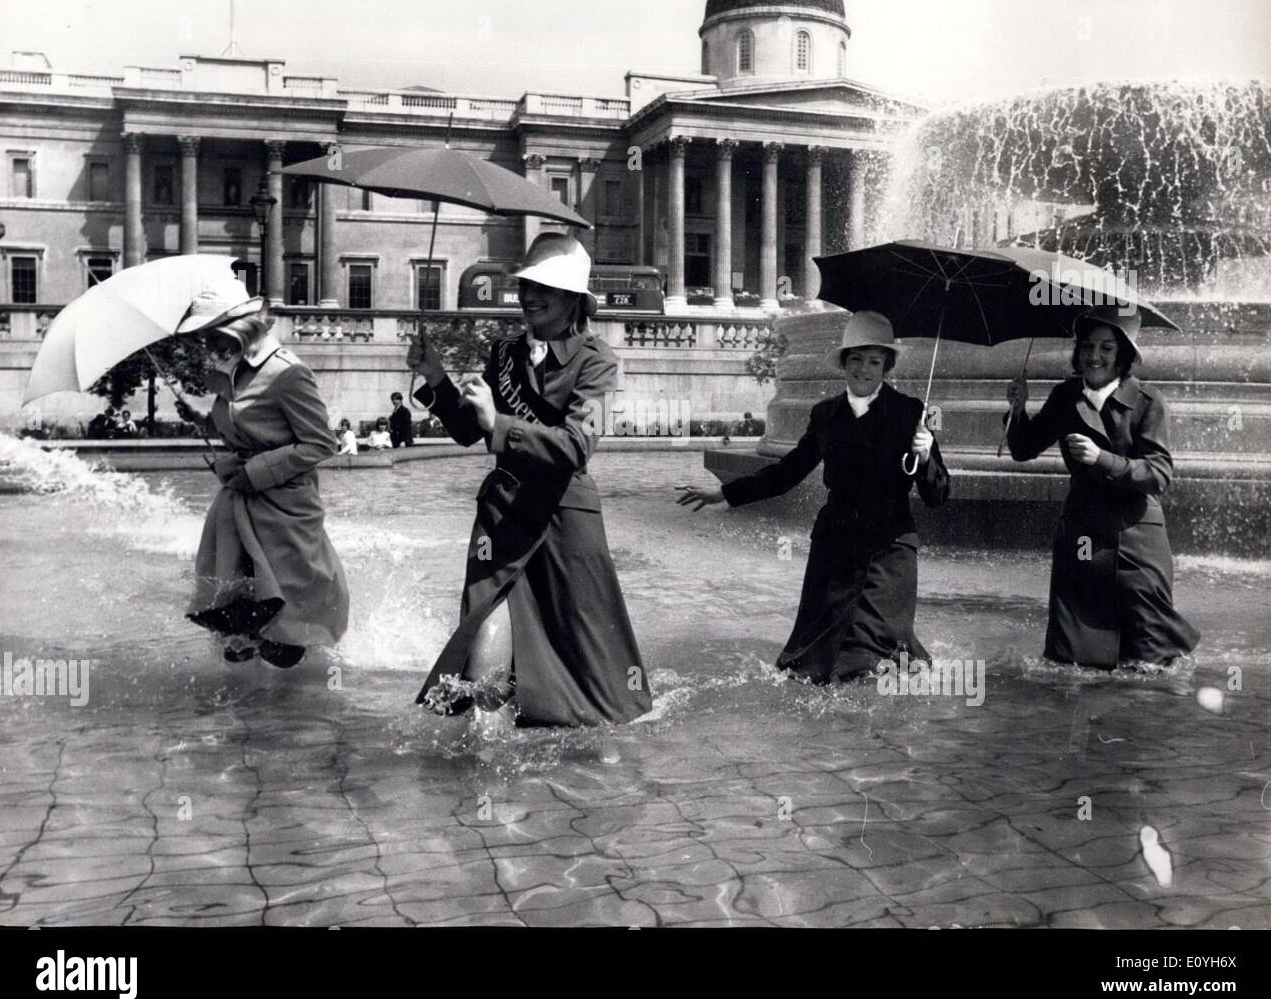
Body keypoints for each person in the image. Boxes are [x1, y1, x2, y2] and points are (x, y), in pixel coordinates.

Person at [407, 232, 652, 727]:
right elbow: (466, 431)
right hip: (504, 516)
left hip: (565, 519)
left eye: (546, 287)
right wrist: (437, 379)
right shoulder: (504, 353)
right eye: (526, 285)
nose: (530, 296)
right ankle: (489, 751)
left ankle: (582, 729)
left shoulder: (598, 361)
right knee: (485, 625)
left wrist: (498, 424)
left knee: (587, 654)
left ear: (575, 301)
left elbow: (577, 446)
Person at [677, 311, 950, 684]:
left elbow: (938, 495)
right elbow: (786, 473)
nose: (864, 369)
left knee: (881, 658)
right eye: (855, 359)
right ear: (843, 363)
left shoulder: (911, 413)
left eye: (874, 361)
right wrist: (724, 493)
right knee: (813, 664)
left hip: (890, 550)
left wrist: (925, 455)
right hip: (835, 548)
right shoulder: (826, 415)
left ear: (886, 366)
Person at [1005, 308, 1199, 669]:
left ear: (1123, 354)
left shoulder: (1148, 401)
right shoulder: (1065, 396)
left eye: (1107, 348)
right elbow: (1023, 449)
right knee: (1073, 661)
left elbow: (1159, 474)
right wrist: (1017, 410)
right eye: (1088, 347)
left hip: (1136, 539)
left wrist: (1102, 458)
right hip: (1083, 536)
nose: (1095, 356)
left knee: (1151, 659)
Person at [174, 283, 349, 668]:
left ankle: (305, 704)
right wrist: (201, 417)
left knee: (290, 626)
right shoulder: (231, 373)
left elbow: (321, 443)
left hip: (284, 507)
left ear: (243, 327)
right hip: (240, 503)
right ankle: (253, 712)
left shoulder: (289, 373)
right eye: (205, 337)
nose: (208, 346)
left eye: (214, 335)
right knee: (239, 617)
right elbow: (248, 429)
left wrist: (255, 472)